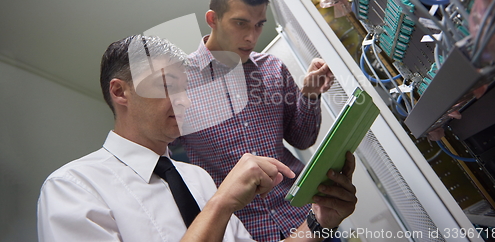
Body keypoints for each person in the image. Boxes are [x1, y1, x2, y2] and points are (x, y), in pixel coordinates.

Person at [37, 35, 357, 242]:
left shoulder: (198, 179)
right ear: (121, 91)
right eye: (167, 85)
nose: (185, 101)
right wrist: (220, 205)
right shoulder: (73, 188)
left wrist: (319, 222)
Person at [177, 0, 335, 241]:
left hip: (309, 218)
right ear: (213, 19)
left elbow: (302, 138)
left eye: (259, 24)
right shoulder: (177, 84)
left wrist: (309, 95)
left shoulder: (273, 69)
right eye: (241, 23)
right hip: (245, 233)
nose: (252, 37)